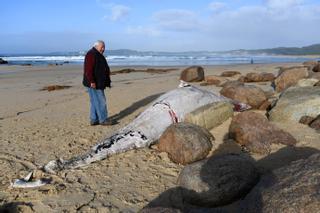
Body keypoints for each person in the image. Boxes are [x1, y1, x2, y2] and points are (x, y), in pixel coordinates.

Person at [83, 40, 115, 126]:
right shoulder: (91, 54)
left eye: (104, 47)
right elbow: (88, 70)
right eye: (102, 47)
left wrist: (107, 81)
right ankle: (103, 119)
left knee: (94, 101)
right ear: (96, 46)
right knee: (101, 101)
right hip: (94, 83)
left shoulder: (97, 54)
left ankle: (94, 119)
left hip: (97, 82)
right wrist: (92, 81)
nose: (103, 49)